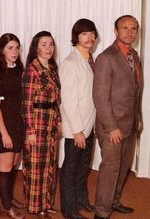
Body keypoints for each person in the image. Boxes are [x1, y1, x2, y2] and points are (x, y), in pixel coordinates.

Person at [92, 15, 143, 219]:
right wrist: (112, 127)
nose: (129, 32)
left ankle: (114, 201)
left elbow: (136, 90)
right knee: (110, 170)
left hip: (130, 124)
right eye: (125, 28)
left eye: (133, 28)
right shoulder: (106, 57)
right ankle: (101, 212)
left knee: (123, 167)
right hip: (112, 126)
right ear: (115, 31)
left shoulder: (134, 55)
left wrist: (138, 116)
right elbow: (100, 97)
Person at [59, 18, 98, 219]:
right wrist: (77, 131)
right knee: (70, 170)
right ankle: (69, 210)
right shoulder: (70, 63)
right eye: (84, 33)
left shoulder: (89, 59)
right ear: (76, 37)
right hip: (77, 128)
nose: (89, 37)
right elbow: (68, 100)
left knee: (83, 168)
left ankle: (81, 200)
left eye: (92, 33)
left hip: (89, 125)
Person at [0, 33, 25, 219]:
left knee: (15, 163)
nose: (14, 51)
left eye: (17, 47)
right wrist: (4, 133)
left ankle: (7, 198)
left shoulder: (18, 69)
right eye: (10, 48)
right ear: (2, 50)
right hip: (4, 126)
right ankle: (6, 207)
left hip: (18, 124)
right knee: (5, 166)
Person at [22, 31, 61, 218]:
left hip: (51, 123)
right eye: (44, 44)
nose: (48, 48)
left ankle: (45, 204)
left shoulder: (52, 69)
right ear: (36, 47)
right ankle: (35, 207)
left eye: (51, 44)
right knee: (35, 167)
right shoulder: (32, 69)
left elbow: (55, 99)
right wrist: (30, 130)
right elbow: (27, 103)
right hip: (37, 123)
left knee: (49, 166)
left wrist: (59, 121)